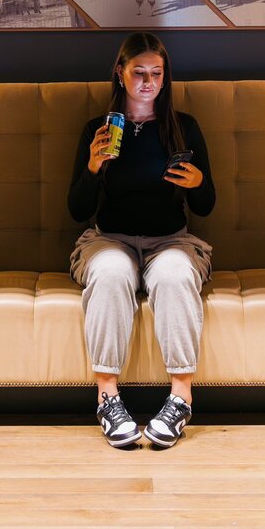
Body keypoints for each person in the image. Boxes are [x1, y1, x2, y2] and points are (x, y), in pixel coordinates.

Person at [68, 32, 216, 449]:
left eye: (156, 73)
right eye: (139, 73)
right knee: (111, 272)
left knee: (174, 275)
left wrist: (198, 182)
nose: (148, 82)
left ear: (165, 78)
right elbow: (77, 209)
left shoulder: (184, 128)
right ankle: (108, 398)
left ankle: (181, 398)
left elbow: (206, 206)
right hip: (109, 238)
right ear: (120, 73)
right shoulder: (98, 130)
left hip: (170, 240)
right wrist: (93, 167)